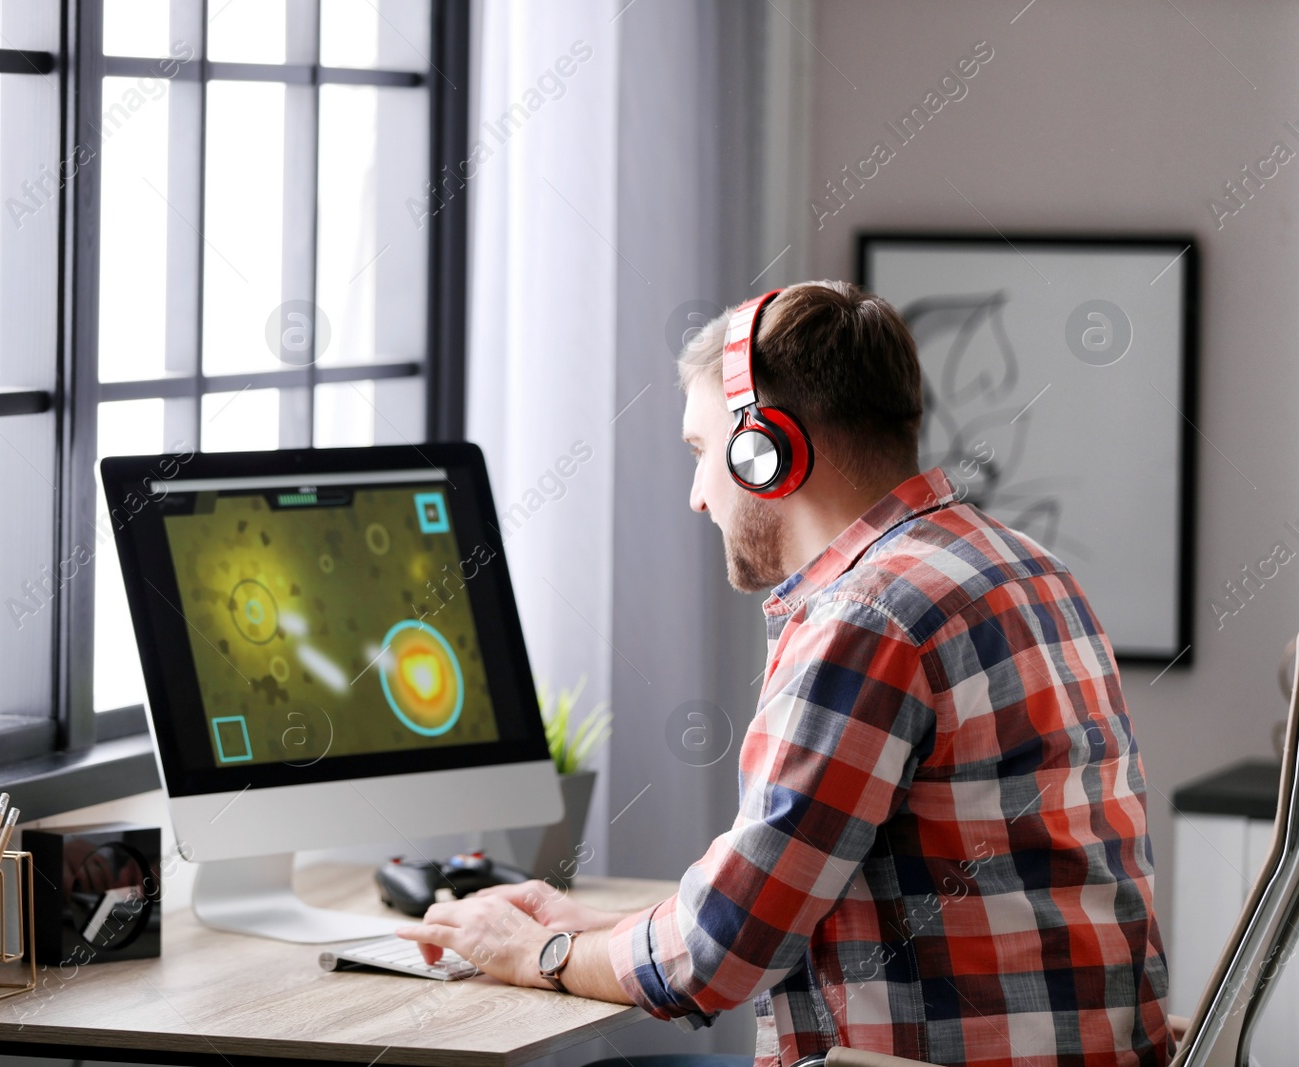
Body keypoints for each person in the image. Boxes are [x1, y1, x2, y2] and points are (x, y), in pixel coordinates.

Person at [395, 281, 1172, 1067]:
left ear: (765, 452)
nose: (697, 498)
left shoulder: (870, 617)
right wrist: (587, 926)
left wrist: (536, 952)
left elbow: (722, 955)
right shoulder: (1021, 565)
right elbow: (768, 898)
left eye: (703, 453)